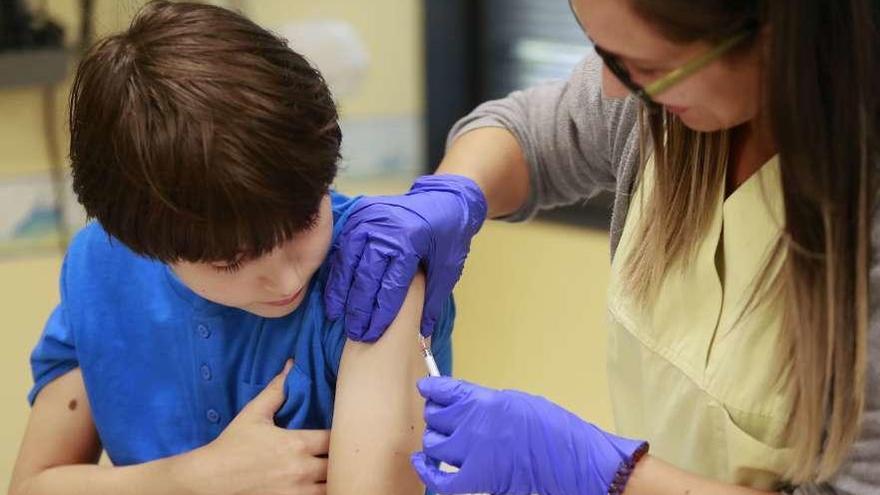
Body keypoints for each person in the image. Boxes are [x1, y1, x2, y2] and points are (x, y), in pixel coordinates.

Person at [325, 0, 880, 493]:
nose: (614, 89)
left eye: (646, 68)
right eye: (604, 54)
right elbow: (522, 131)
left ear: (774, 36)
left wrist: (610, 474)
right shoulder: (657, 107)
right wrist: (452, 195)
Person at [7, 2, 455, 495]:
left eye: (305, 220)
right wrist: (195, 479)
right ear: (146, 246)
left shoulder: (374, 272)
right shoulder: (102, 267)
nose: (287, 281)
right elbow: (33, 485)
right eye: (231, 262)